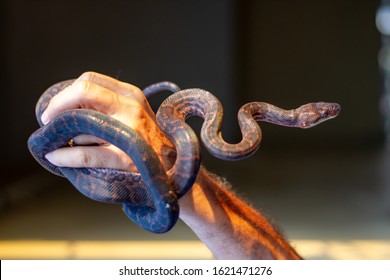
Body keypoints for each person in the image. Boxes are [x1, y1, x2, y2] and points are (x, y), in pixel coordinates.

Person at [41, 71, 302, 260]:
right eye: (322, 114)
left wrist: (165, 164)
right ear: (300, 120)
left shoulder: (238, 116)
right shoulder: (223, 110)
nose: (327, 114)